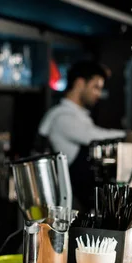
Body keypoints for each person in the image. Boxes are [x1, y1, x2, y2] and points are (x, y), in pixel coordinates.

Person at [38, 60, 126, 210]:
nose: (99, 94)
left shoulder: (78, 116)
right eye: (95, 87)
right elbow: (94, 136)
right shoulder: (62, 117)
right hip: (64, 208)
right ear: (80, 83)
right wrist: (131, 135)